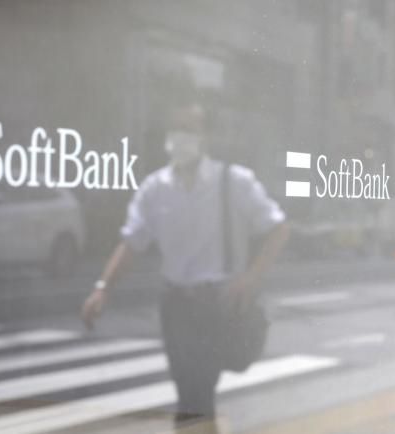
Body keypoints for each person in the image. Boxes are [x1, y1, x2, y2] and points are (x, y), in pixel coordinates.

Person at [81, 102, 288, 432]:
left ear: (205, 136)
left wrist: (251, 278)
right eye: (175, 130)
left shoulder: (233, 181)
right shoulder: (155, 188)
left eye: (189, 130)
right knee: (191, 393)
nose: (181, 139)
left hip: (217, 304)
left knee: (196, 393)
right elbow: (132, 242)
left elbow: (277, 228)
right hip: (176, 305)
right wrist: (102, 289)